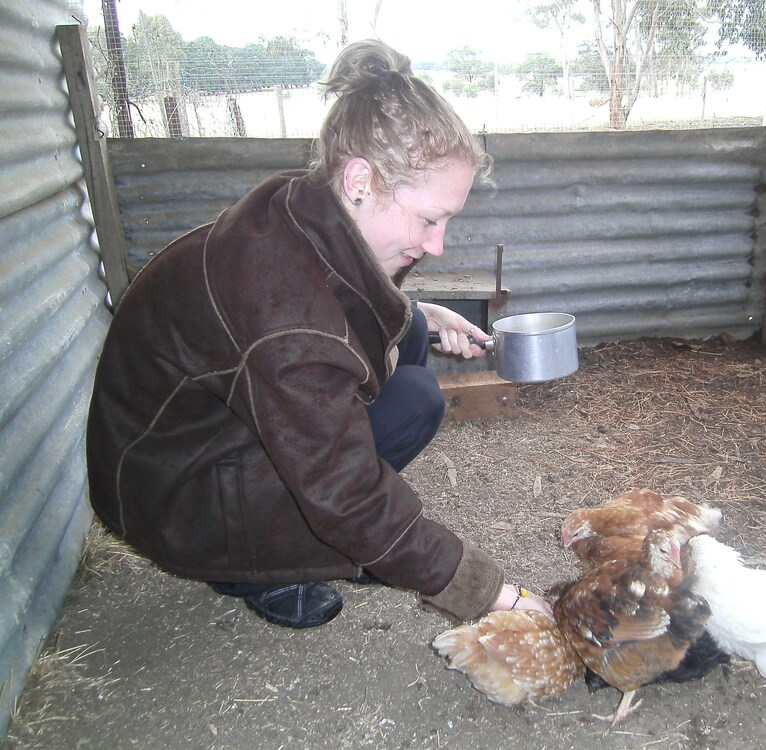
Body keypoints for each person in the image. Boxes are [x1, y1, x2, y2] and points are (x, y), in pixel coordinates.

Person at [86, 39, 551, 629]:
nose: (437, 244)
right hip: (174, 498)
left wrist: (425, 313)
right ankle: (252, 566)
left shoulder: (301, 204)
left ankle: (288, 522)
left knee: (407, 336)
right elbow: (349, 493)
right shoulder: (286, 319)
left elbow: (340, 295)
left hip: (190, 435)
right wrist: (490, 593)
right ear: (360, 178)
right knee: (413, 403)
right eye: (430, 219)